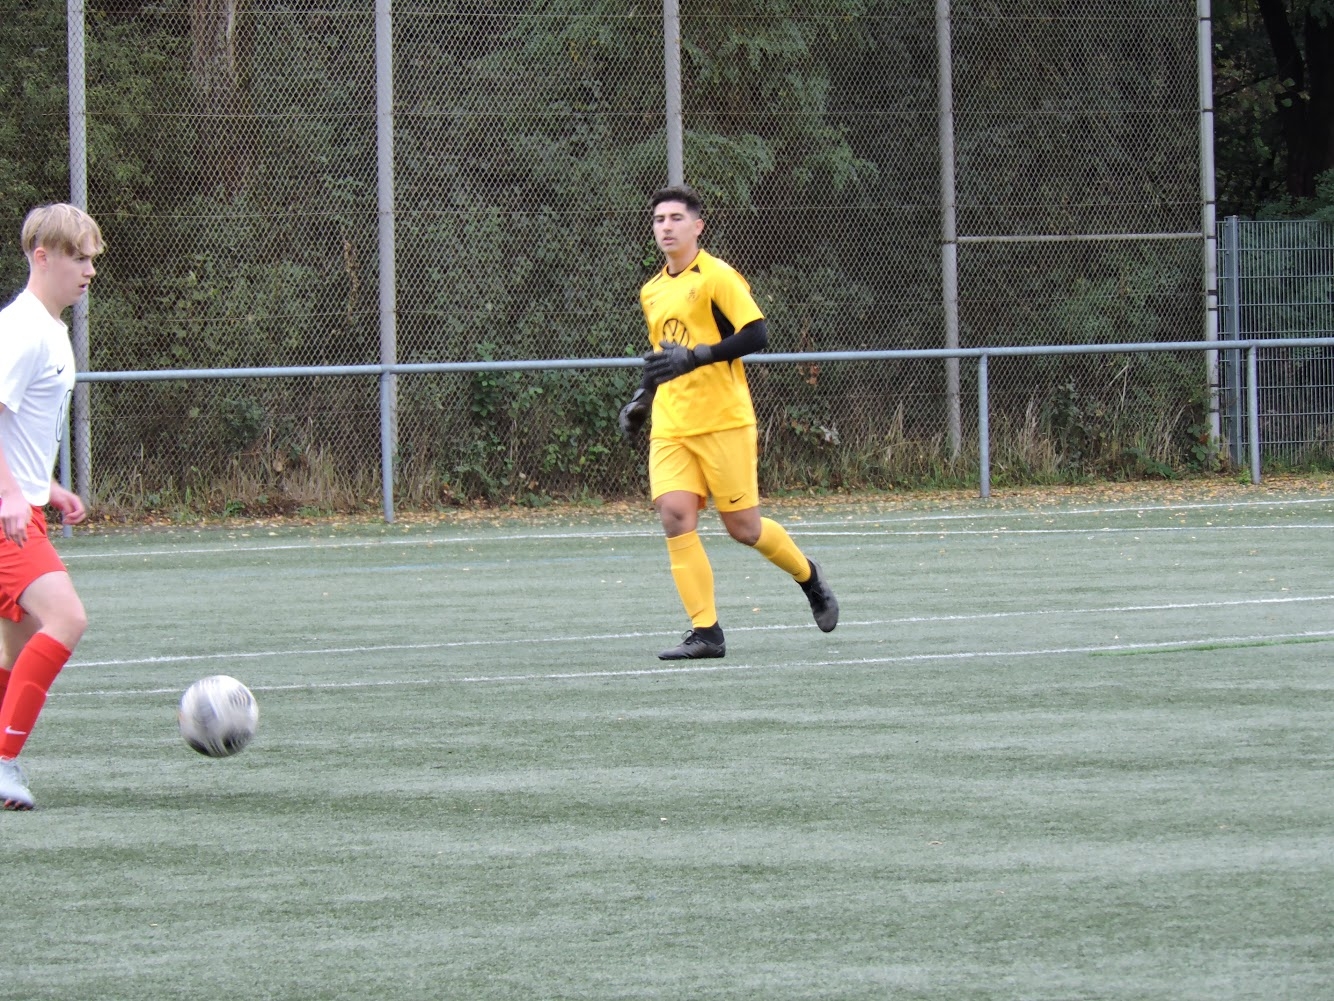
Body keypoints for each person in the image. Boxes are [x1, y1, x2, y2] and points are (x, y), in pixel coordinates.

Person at [619, 184, 838, 660]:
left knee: (744, 529)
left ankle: (809, 577)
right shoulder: (652, 290)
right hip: (672, 424)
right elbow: (663, 359)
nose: (666, 227)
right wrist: (642, 399)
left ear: (698, 226)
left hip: (723, 421)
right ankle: (706, 633)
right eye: (659, 219)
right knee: (675, 515)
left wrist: (699, 356)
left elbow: (756, 334)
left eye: (676, 218)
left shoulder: (717, 276)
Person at [0, 203, 102, 810]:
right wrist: (11, 494)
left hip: (22, 505)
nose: (89, 270)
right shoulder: (22, 329)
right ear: (43, 257)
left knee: (14, 651)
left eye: (91, 259)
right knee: (66, 619)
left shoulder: (49, 327)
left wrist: (45, 487)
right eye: (78, 258)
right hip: (4, 514)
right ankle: (4, 762)